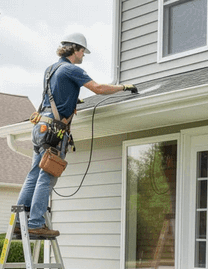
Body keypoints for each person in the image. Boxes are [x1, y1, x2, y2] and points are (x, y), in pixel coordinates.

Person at [16, 32, 138, 238]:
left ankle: (20, 223)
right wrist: (123, 87)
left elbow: (54, 95)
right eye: (83, 52)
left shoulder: (50, 69)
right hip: (55, 131)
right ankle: (36, 222)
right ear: (75, 49)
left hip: (40, 126)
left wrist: (72, 101)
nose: (83, 56)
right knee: (47, 176)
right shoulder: (72, 69)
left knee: (34, 175)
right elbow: (98, 88)